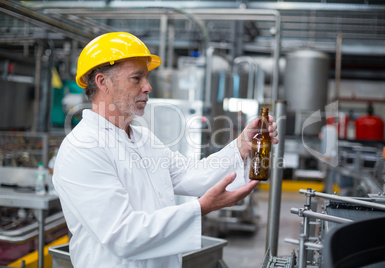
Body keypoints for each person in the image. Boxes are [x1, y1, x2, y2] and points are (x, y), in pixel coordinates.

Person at [53, 32, 278, 267]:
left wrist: (241, 145)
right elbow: (123, 235)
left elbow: (190, 174)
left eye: (146, 77)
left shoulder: (142, 138)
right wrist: (202, 208)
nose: (148, 87)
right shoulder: (82, 149)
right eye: (136, 78)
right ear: (102, 82)